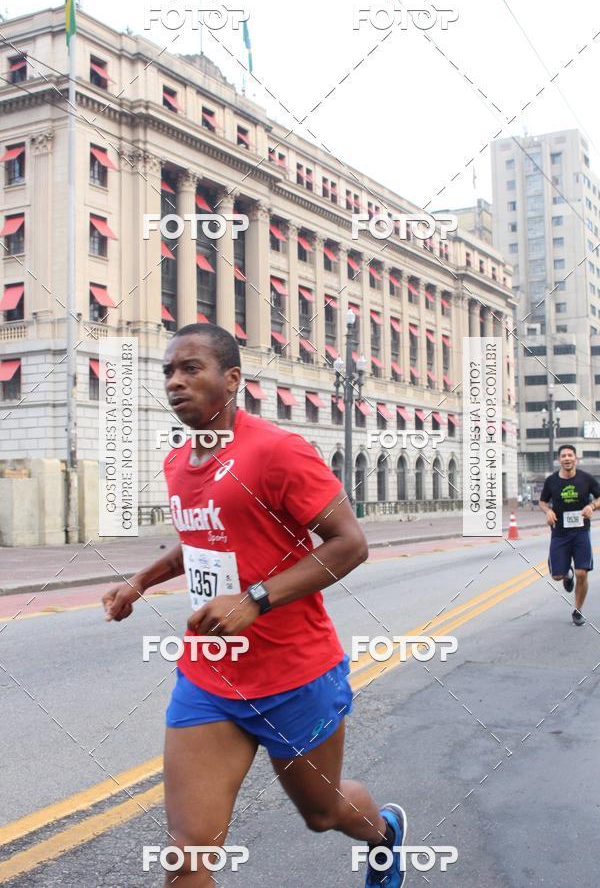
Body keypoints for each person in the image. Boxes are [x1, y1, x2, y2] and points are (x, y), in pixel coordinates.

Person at [102, 323, 407, 887]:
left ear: (232, 379)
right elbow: (200, 540)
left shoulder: (277, 451)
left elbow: (349, 543)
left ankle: (384, 834)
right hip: (210, 677)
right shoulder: (178, 464)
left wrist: (256, 600)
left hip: (295, 674)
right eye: (168, 371)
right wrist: (140, 581)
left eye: (191, 368)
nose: (175, 381)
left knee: (324, 814)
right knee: (187, 855)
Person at [539, 444, 600, 625]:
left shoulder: (586, 479)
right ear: (560, 459)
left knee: (583, 573)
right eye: (563, 455)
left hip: (581, 532)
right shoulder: (551, 481)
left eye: (570, 455)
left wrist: (592, 506)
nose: (567, 458)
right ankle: (567, 574)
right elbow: (542, 502)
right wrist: (547, 512)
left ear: (576, 458)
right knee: (557, 576)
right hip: (559, 533)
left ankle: (578, 610)